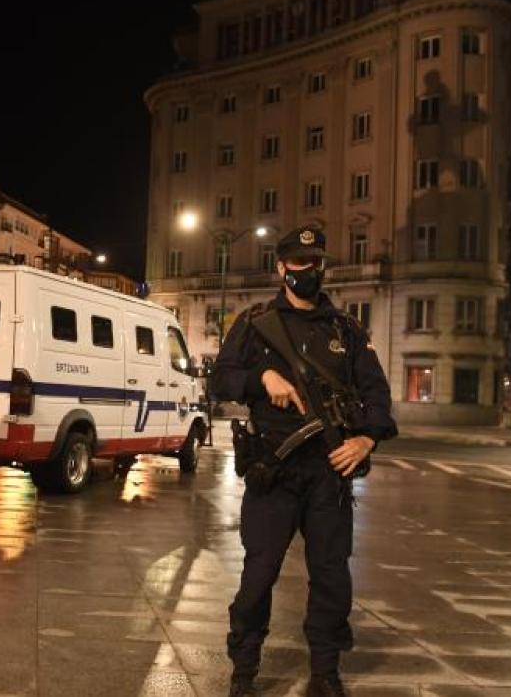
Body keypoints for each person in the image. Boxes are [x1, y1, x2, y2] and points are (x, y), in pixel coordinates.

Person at [213, 226, 396, 697]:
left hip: (327, 473)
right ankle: (244, 671)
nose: (307, 272)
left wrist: (367, 441)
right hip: (273, 470)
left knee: (332, 577)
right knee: (258, 575)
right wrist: (263, 376)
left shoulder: (346, 329)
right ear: (281, 268)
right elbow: (222, 377)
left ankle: (325, 672)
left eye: (315, 263)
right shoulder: (255, 323)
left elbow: (377, 395)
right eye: (298, 264)